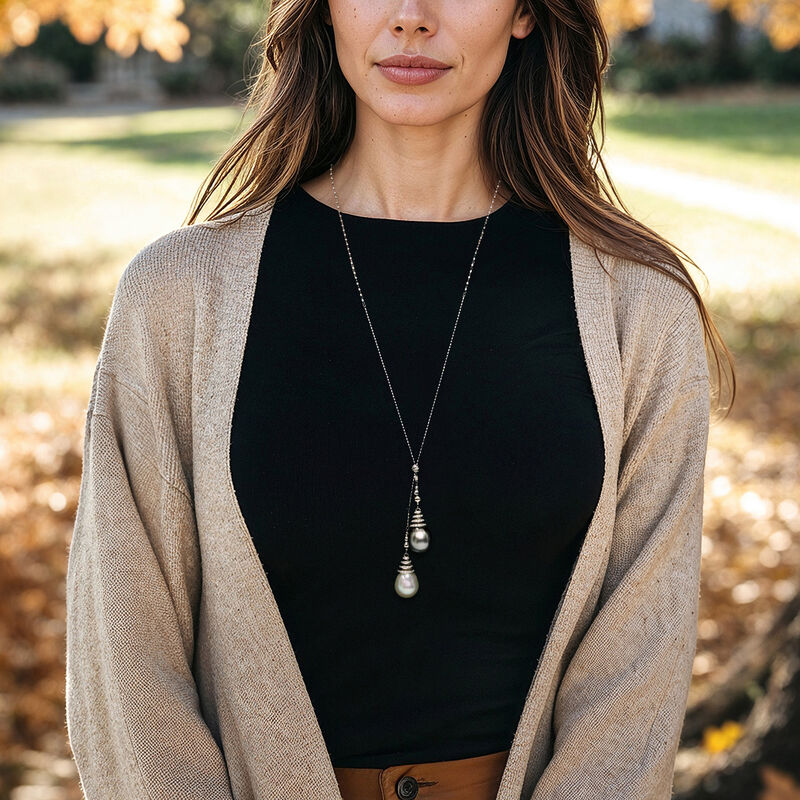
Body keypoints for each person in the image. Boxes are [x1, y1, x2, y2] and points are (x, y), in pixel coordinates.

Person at [64, 1, 736, 799]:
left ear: (525, 13)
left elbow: (638, 674)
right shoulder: (177, 298)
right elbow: (125, 659)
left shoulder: (640, 313)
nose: (412, 18)